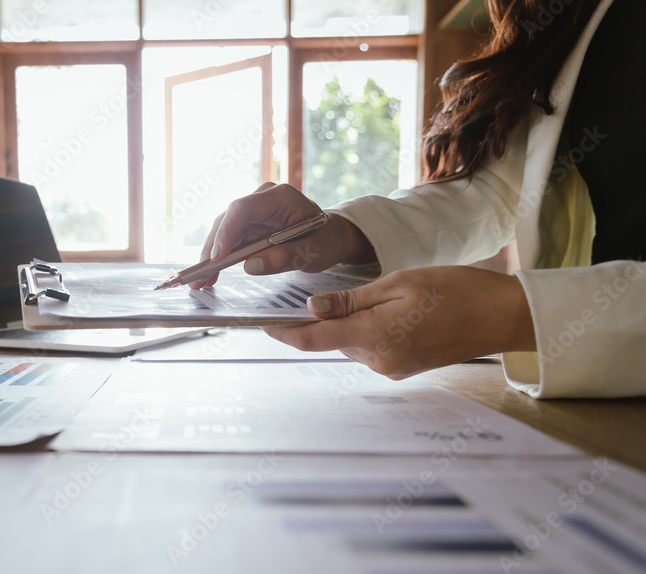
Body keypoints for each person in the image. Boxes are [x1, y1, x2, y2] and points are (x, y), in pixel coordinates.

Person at [194, 0, 645, 399]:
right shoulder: (573, 20)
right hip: (592, 411)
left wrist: (518, 315)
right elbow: (502, 194)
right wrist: (342, 235)